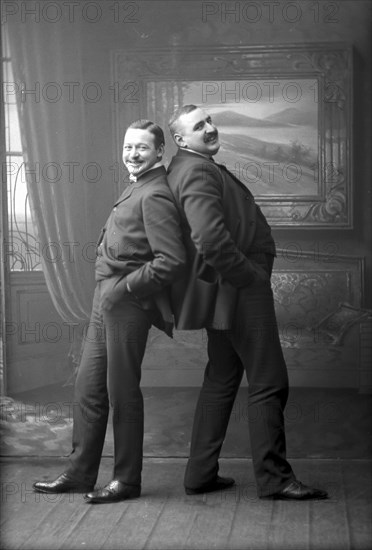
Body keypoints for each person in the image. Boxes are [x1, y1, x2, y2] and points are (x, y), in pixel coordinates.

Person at [166, 104, 328, 500]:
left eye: (209, 120)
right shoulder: (197, 170)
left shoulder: (192, 166)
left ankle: (199, 475)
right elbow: (210, 240)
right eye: (198, 126)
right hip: (238, 291)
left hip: (227, 292)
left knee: (221, 379)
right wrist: (250, 278)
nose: (209, 128)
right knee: (269, 380)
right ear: (181, 140)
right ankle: (275, 479)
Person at [33, 120, 186, 504]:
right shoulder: (136, 186)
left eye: (142, 148)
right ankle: (80, 473)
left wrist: (123, 288)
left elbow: (172, 261)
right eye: (128, 147)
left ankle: (126, 480)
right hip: (105, 301)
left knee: (122, 393)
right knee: (87, 388)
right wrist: (109, 292)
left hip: (128, 303)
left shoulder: (155, 195)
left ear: (159, 152)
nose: (132, 154)